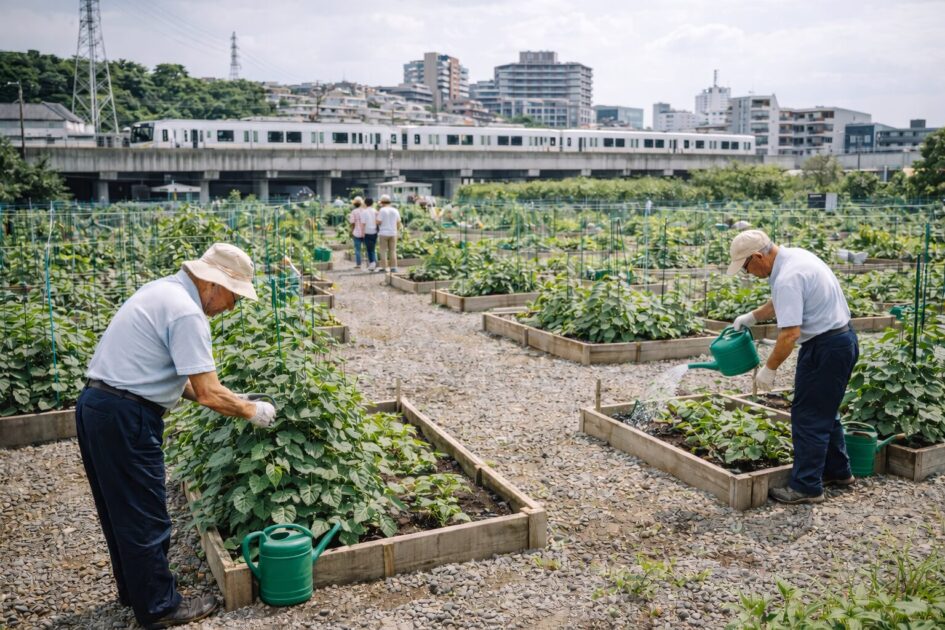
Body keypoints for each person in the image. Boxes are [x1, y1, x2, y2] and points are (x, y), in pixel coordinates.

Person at [76, 243, 276, 628]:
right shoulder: (187, 312)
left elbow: (184, 380)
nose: (231, 307)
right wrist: (254, 411)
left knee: (119, 509)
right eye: (233, 296)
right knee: (146, 515)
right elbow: (205, 392)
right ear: (213, 285)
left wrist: (233, 399)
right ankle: (160, 607)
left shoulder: (163, 290)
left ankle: (135, 592)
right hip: (127, 416)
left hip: (98, 405)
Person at [727, 230, 857, 505]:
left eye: (747, 267)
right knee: (824, 409)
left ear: (759, 256)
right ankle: (838, 472)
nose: (748, 274)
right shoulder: (794, 258)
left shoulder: (787, 276)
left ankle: (807, 487)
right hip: (841, 340)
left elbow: (789, 335)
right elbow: (784, 301)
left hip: (826, 348)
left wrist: (769, 368)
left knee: (807, 416)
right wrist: (753, 316)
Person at [376, 194, 402, 273]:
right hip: (393, 233)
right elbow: (398, 222)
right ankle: (393, 267)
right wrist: (396, 230)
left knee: (383, 250)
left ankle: (384, 268)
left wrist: (377, 222)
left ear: (382, 202)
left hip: (384, 233)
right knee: (393, 250)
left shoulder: (382, 210)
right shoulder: (395, 210)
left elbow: (378, 221)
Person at [360, 197, 379, 272]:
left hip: (367, 232)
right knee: (373, 248)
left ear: (365, 203)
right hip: (374, 231)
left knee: (369, 249)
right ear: (372, 203)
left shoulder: (364, 212)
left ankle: (372, 264)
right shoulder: (375, 211)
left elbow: (363, 224)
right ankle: (373, 263)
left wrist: (362, 233)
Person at [347, 196, 365, 269]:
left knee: (358, 249)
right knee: (368, 249)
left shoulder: (354, 212)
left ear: (354, 204)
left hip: (356, 233)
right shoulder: (365, 211)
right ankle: (371, 264)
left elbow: (352, 223)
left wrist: (351, 231)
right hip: (365, 233)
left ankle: (358, 264)